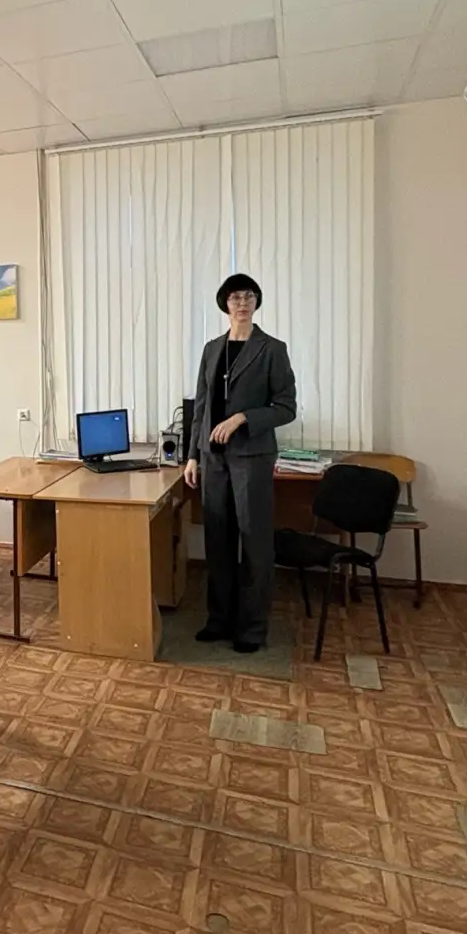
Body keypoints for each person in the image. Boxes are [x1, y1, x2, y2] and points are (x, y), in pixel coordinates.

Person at [185, 273, 298, 654]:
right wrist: (192, 455)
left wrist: (242, 418)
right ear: (225, 304)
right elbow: (201, 407)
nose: (242, 303)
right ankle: (219, 620)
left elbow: (286, 408)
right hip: (213, 460)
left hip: (252, 458)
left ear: (256, 302)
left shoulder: (273, 349)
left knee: (254, 544)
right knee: (217, 541)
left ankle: (251, 629)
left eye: (249, 296)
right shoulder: (211, 349)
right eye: (235, 297)